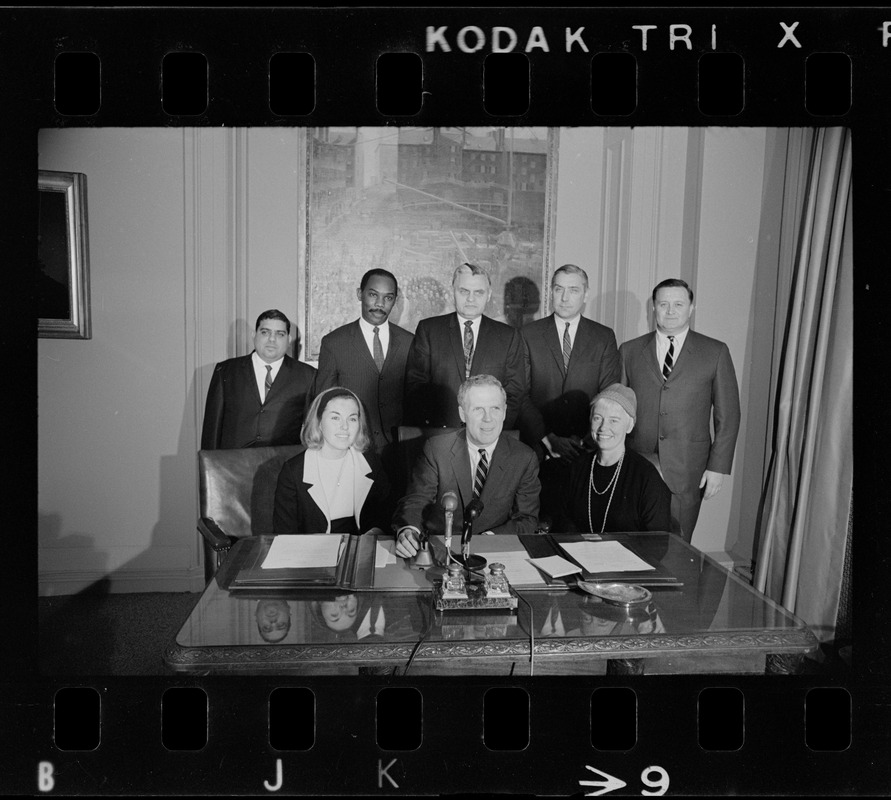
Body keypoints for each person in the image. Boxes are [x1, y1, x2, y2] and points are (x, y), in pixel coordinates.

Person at [619, 279, 741, 540]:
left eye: (678, 304)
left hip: (688, 467)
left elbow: (728, 416)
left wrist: (717, 467)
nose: (670, 311)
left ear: (691, 308)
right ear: (653, 308)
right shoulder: (629, 351)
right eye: (663, 304)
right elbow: (618, 408)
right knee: (632, 541)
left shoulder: (715, 352)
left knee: (678, 545)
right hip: (637, 463)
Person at [393, 375, 540, 558]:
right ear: (463, 414)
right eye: (478, 409)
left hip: (493, 553)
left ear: (504, 412)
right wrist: (409, 530)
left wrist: (488, 539)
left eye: (495, 408)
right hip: (440, 551)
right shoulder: (437, 449)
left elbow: (526, 518)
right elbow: (416, 501)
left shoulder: (524, 457)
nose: (488, 419)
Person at [403, 263, 525, 429]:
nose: (470, 299)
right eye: (464, 291)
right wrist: (436, 427)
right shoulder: (429, 330)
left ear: (488, 295)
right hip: (440, 434)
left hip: (489, 434)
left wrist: (492, 428)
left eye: (478, 292)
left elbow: (514, 392)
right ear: (453, 291)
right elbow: (416, 385)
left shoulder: (508, 336)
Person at [519, 264, 621, 461]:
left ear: (585, 294)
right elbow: (520, 394)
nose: (565, 298)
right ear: (551, 293)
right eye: (559, 289)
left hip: (587, 448)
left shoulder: (603, 337)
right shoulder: (527, 335)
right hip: (539, 449)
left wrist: (586, 439)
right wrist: (548, 438)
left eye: (573, 290)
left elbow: (609, 393)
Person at [313, 269, 413, 455]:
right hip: (352, 448)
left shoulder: (410, 342)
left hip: (400, 451)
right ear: (360, 294)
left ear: (395, 301)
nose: (380, 304)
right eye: (373, 295)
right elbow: (324, 403)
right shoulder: (334, 343)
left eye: (388, 298)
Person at [555, 385, 672, 534]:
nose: (603, 427)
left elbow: (657, 544)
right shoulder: (576, 468)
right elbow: (563, 523)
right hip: (578, 554)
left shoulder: (647, 478)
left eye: (614, 420)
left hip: (631, 557)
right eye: (598, 418)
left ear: (629, 425)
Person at [273, 387, 390, 535]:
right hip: (311, 553)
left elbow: (385, 516)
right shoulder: (294, 470)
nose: (345, 427)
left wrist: (373, 534)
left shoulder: (371, 462)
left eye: (352, 418)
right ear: (319, 423)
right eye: (335, 418)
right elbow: (285, 534)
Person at [200, 310, 316, 450]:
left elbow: (312, 430)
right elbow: (212, 428)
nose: (272, 339)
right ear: (254, 335)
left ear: (289, 339)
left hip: (283, 465)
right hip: (232, 465)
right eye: (265, 332)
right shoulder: (226, 371)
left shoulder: (307, 375)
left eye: (280, 334)